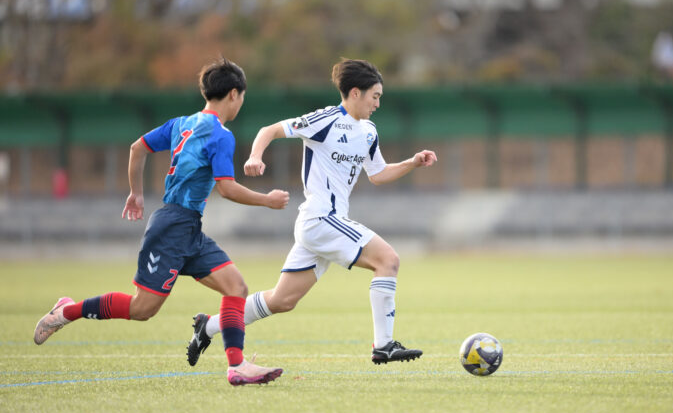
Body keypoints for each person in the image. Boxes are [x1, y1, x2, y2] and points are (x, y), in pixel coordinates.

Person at [33, 58, 289, 386]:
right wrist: (267, 200)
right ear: (234, 95)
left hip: (187, 227)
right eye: (242, 97)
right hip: (172, 228)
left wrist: (135, 193)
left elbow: (137, 148)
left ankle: (236, 365)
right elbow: (226, 188)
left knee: (236, 287)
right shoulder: (221, 135)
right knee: (142, 309)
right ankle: (67, 311)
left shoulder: (181, 123)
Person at [186, 58, 437, 366]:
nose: (378, 104)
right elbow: (270, 130)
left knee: (282, 300)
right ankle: (383, 345)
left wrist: (412, 162)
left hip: (325, 223)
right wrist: (255, 156)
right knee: (388, 260)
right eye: (375, 96)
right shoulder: (325, 120)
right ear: (355, 93)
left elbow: (378, 174)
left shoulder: (369, 131)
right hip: (321, 218)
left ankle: (208, 326)